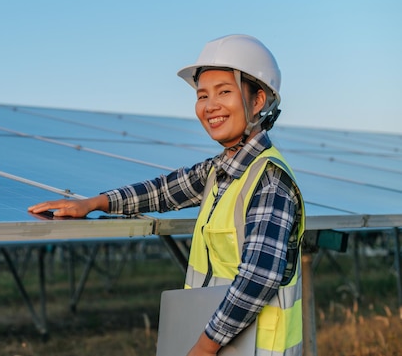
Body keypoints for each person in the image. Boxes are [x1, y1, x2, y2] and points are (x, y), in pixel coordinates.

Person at [28, 34, 304, 356]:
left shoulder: (270, 182)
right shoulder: (221, 169)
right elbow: (162, 191)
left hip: (256, 348)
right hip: (222, 340)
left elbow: (258, 278)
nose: (209, 106)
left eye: (224, 92)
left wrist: (203, 346)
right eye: (202, 96)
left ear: (258, 101)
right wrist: (93, 203)